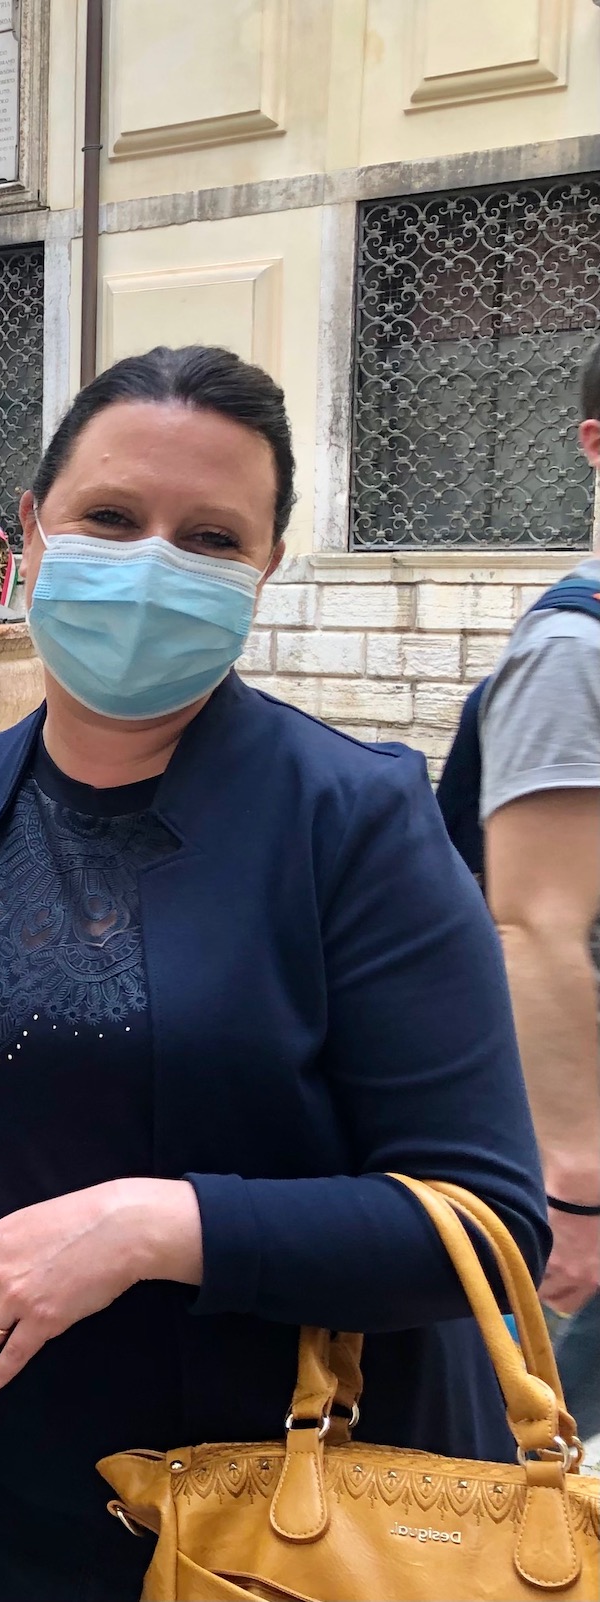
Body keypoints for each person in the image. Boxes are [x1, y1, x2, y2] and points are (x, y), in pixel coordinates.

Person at [0, 346, 548, 1601]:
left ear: (264, 569)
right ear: (29, 529)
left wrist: (157, 1225)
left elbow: (481, 1219)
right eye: (109, 516)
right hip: (23, 1491)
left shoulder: (350, 821)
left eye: (208, 539)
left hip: (296, 1518)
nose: (150, 565)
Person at [475, 339, 600, 1435]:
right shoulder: (572, 652)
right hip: (585, 1162)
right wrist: (574, 1189)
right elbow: (534, 924)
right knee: (524, 1455)